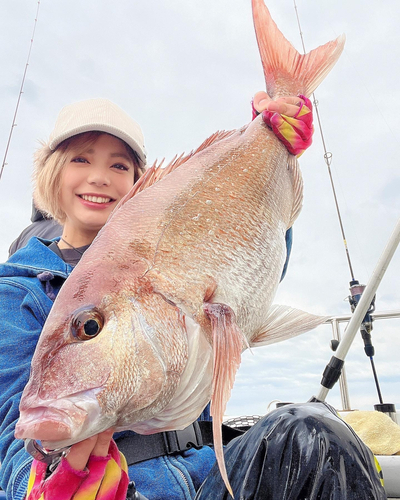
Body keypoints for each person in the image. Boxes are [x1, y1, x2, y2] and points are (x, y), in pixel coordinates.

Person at [0, 93, 326, 500]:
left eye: (119, 165)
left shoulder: (183, 241)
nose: (99, 176)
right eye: (80, 159)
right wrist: (39, 484)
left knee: (316, 432)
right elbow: (12, 431)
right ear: (50, 174)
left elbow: (257, 268)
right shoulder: (14, 291)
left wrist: (274, 143)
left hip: (210, 474)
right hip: (133, 487)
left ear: (139, 184)